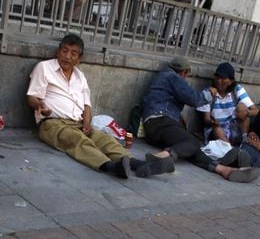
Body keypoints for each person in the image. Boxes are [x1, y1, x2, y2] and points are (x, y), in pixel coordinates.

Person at [26, 34, 173, 179]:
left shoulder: (80, 76)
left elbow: (86, 104)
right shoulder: (44, 68)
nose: (67, 56)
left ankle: (137, 164)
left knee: (105, 139)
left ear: (79, 58)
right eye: (64, 51)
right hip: (53, 123)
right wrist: (39, 105)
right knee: (78, 140)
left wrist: (87, 122)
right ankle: (111, 166)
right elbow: (31, 96)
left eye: (73, 53)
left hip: (77, 123)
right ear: (58, 51)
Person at [142, 56, 260, 182]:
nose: (219, 81)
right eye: (217, 78)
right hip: (159, 122)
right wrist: (210, 93)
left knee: (192, 149)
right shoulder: (172, 77)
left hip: (156, 126)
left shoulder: (164, 78)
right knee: (192, 142)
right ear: (184, 72)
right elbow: (194, 99)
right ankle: (161, 157)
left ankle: (223, 170)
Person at [197, 62, 258, 146]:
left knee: (242, 107)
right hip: (217, 131)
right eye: (217, 77)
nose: (218, 81)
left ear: (231, 81)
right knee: (217, 130)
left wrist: (246, 113)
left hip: (235, 128)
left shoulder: (237, 90)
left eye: (222, 78)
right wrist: (212, 122)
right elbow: (206, 119)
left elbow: (256, 110)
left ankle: (244, 142)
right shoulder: (208, 93)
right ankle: (230, 151)